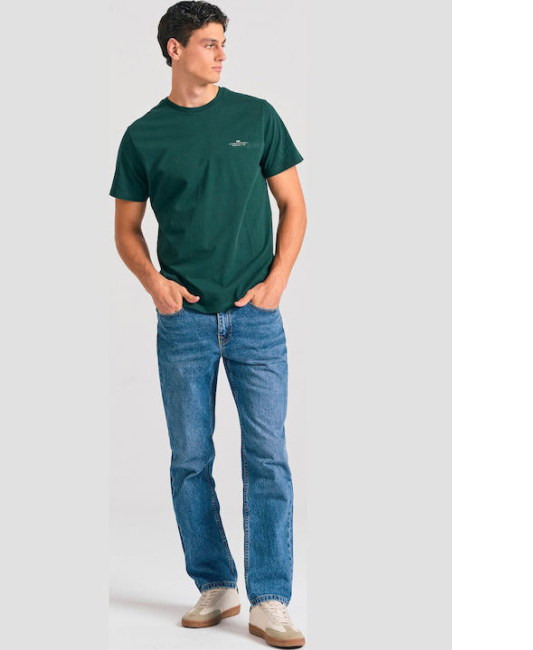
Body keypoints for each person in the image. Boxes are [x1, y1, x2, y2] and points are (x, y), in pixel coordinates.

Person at [109, 2, 307, 647]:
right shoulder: (144, 135)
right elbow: (126, 228)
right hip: (185, 324)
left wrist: (276, 283)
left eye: (224, 43)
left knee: (268, 458)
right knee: (191, 460)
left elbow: (294, 205)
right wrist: (155, 284)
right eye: (209, 43)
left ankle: (270, 599)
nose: (222, 54)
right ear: (175, 49)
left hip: (256, 319)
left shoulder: (257, 116)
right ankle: (216, 584)